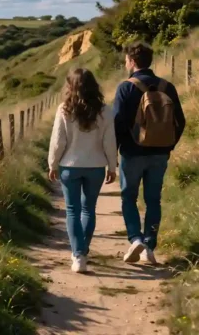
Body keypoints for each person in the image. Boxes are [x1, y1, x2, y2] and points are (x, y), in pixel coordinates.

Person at [114, 41, 185, 264]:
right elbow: (180, 121)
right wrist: (168, 147)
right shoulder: (167, 87)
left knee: (129, 197)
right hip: (159, 154)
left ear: (132, 62)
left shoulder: (126, 87)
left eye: (127, 60)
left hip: (132, 153)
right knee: (153, 200)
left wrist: (114, 153)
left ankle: (135, 239)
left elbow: (117, 122)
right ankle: (149, 246)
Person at [49, 68, 118, 273]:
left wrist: (52, 164)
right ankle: (82, 252)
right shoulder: (105, 111)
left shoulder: (64, 109)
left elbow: (58, 141)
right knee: (89, 209)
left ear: (70, 86)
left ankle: (78, 255)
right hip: (96, 166)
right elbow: (110, 142)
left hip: (69, 166)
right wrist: (112, 166)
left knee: (72, 210)